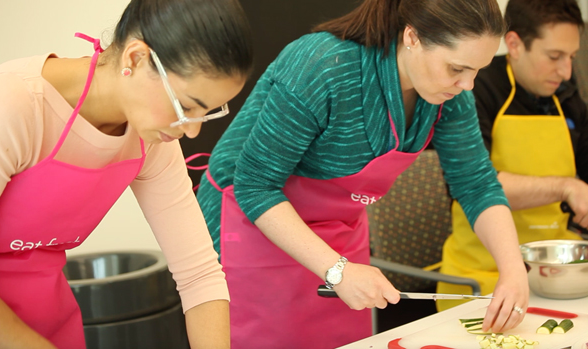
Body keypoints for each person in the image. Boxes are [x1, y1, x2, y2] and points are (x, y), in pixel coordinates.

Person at [196, 0, 530, 347]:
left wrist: (513, 270)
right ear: (412, 37)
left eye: (477, 70)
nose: (468, 84)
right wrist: (336, 270)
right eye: (456, 68)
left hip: (338, 242)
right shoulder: (322, 65)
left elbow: (476, 184)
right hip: (252, 232)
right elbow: (256, 185)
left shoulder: (451, 95)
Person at [0, 0, 253, 348]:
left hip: (48, 324)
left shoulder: (152, 140)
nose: (191, 132)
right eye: (185, 107)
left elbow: (200, 275)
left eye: (205, 114)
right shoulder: (12, 105)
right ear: (135, 59)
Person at [437, 0, 588, 312]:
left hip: (556, 276)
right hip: (481, 282)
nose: (565, 70)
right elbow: (471, 187)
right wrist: (565, 186)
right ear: (514, 44)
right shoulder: (473, 91)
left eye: (571, 57)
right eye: (554, 56)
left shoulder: (565, 94)